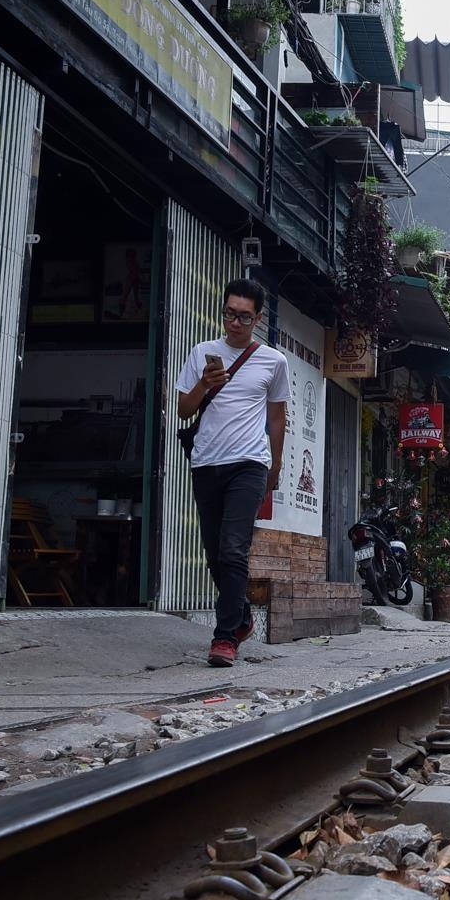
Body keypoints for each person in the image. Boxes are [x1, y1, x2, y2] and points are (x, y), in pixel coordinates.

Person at [175, 279, 289, 667]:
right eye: (229, 314)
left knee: (233, 549)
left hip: (249, 465)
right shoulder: (203, 352)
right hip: (206, 463)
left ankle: (224, 639)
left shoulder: (274, 361)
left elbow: (277, 418)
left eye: (243, 316)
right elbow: (182, 410)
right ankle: (240, 616)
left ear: (258, 318)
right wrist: (205, 385)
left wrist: (275, 467)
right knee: (213, 554)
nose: (234, 323)